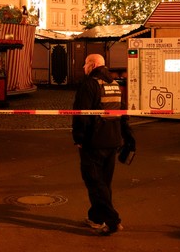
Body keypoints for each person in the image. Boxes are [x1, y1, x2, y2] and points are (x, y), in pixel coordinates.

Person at [72, 53, 135, 236]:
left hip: (94, 142)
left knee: (94, 182)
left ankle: (112, 220)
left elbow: (81, 114)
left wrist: (79, 138)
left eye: (85, 64)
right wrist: (127, 137)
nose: (84, 68)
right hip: (113, 140)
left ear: (92, 65)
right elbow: (123, 113)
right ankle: (96, 218)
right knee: (104, 183)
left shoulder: (89, 84)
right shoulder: (114, 85)